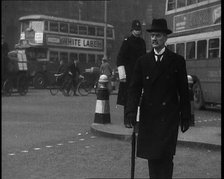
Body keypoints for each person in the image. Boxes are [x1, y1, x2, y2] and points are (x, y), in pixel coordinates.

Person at [126, 18, 191, 179]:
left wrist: (186, 115)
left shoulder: (177, 61)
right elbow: (134, 89)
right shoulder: (143, 62)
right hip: (150, 118)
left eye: (159, 35)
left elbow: (183, 91)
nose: (154, 39)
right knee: (152, 158)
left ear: (166, 38)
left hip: (168, 118)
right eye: (152, 35)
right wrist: (130, 112)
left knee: (166, 159)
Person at [116, 19, 146, 128]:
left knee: (137, 98)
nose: (137, 32)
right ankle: (127, 120)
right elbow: (120, 58)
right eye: (135, 29)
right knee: (128, 98)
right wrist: (122, 74)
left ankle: (134, 119)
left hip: (139, 74)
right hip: (128, 75)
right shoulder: (127, 42)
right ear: (132, 30)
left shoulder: (142, 42)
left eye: (139, 30)